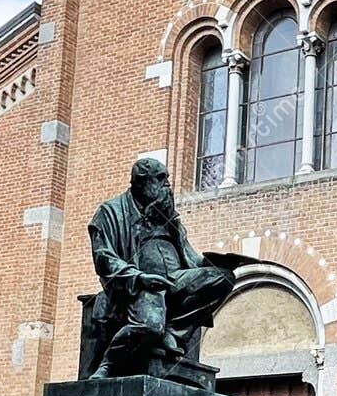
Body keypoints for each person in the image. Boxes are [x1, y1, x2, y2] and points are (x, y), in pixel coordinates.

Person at [86, 156, 235, 379]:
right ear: (141, 182)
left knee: (223, 278)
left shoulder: (167, 215)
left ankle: (174, 332)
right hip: (141, 284)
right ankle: (107, 365)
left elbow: (189, 255)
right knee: (150, 327)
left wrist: (214, 263)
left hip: (175, 278)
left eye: (167, 179)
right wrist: (140, 278)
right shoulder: (111, 212)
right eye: (161, 179)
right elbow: (104, 258)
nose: (167, 185)